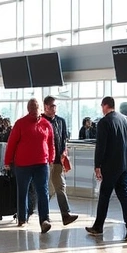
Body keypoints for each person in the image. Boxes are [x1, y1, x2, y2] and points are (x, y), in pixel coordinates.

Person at [86, 97, 127, 241]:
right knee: (125, 195)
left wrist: (97, 165)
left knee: (104, 196)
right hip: (125, 165)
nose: (101, 109)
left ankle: (98, 226)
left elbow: (101, 146)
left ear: (105, 106)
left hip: (110, 166)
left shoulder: (104, 122)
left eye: (102, 106)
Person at [5, 98, 56, 233]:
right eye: (32, 107)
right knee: (23, 191)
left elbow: (51, 143)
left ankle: (44, 220)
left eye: (36, 107)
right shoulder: (20, 124)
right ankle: (22, 217)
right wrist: (7, 161)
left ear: (40, 108)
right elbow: (11, 143)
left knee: (43, 191)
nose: (34, 110)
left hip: (41, 163)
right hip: (23, 165)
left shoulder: (46, 124)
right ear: (28, 109)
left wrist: (51, 158)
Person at [41, 96, 79, 226]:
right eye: (52, 106)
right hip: (45, 161)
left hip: (58, 160)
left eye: (55, 106)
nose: (54, 108)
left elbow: (63, 139)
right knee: (52, 188)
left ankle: (63, 214)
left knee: (56, 187)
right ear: (45, 106)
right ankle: (60, 214)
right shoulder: (41, 121)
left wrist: (64, 153)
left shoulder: (61, 121)